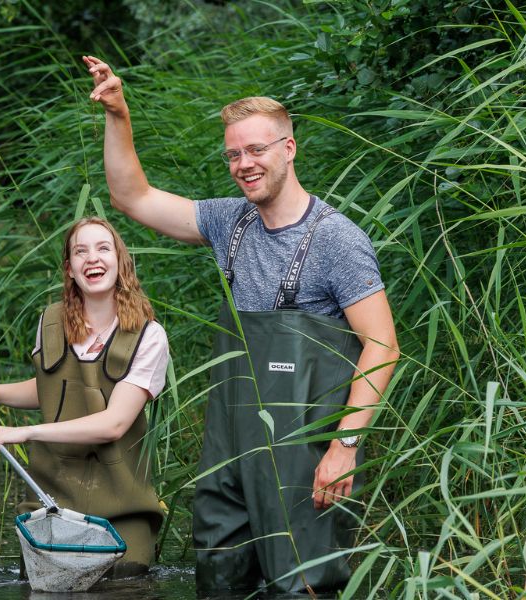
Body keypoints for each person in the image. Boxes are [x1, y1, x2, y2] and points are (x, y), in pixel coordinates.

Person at [84, 55, 400, 594]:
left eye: (256, 149)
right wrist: (118, 112)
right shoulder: (230, 221)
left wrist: (344, 448)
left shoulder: (337, 240)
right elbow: (130, 197)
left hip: (306, 452)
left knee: (302, 583)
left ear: (288, 149)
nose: (244, 163)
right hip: (231, 448)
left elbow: (382, 346)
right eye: (234, 154)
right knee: (221, 572)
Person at [0, 216, 168, 578]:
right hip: (51, 506)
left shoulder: (148, 335)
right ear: (70, 269)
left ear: (121, 263)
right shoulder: (51, 322)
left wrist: (25, 432)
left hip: (123, 509)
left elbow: (114, 423)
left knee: (126, 588)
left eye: (103, 248)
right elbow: (49, 389)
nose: (92, 258)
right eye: (81, 251)